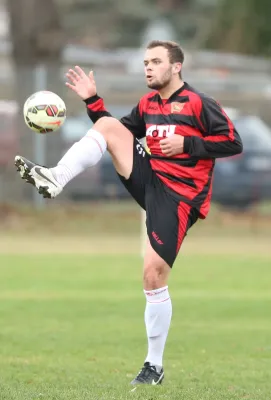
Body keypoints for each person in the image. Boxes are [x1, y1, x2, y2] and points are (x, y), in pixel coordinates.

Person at [15, 40, 243, 386]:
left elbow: (232, 141)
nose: (148, 68)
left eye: (155, 61)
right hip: (149, 180)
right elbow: (116, 131)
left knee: (153, 276)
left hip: (179, 198)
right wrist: (93, 100)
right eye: (145, 62)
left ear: (176, 67)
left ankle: (154, 366)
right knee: (107, 127)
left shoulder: (199, 104)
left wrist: (188, 144)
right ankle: (56, 178)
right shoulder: (147, 104)